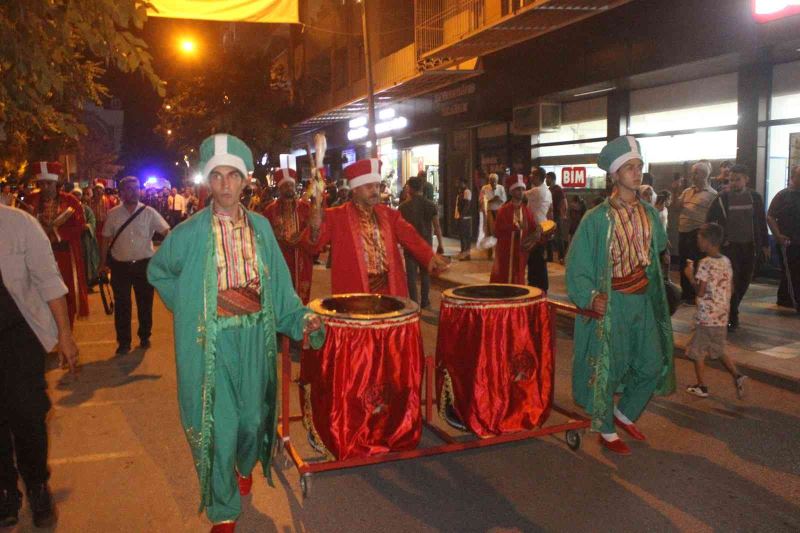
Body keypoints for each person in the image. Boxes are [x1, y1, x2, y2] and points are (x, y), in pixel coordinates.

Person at [147, 134, 324, 532]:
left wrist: (301, 320)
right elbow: (158, 271)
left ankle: (245, 467)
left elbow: (280, 288)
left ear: (245, 182)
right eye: (217, 177)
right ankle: (223, 508)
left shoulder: (261, 228)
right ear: (207, 183)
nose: (225, 185)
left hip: (254, 339)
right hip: (213, 343)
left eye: (233, 176)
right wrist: (191, 306)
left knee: (252, 419)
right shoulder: (190, 233)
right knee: (219, 426)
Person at [566, 135, 675, 455]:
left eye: (639, 165)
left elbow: (657, 250)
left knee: (652, 364)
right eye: (629, 167)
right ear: (615, 174)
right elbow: (578, 263)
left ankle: (624, 413)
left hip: (643, 298)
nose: (636, 172)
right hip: (614, 302)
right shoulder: (597, 218)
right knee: (608, 369)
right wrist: (589, 296)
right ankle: (604, 427)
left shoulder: (650, 213)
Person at [0, 203, 79, 528]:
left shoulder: (20, 225)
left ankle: (36, 485)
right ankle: (6, 490)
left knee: (27, 413)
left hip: (19, 336)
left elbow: (49, 280)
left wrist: (66, 336)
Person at [309, 158, 449, 297]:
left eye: (377, 186)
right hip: (354, 292)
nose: (375, 191)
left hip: (388, 291)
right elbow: (314, 245)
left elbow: (411, 236)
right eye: (369, 187)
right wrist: (315, 227)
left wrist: (429, 256)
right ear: (355, 189)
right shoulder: (337, 216)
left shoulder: (389, 215)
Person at [98, 176, 170, 355]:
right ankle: (124, 342)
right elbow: (105, 239)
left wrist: (167, 256)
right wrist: (102, 263)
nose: (134, 191)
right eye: (129, 188)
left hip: (144, 265)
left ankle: (145, 335)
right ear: (122, 193)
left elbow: (167, 232)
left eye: (136, 188)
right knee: (122, 305)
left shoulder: (149, 212)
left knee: (145, 303)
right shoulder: (113, 214)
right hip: (120, 267)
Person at [684, 223, 748, 398]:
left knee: (697, 351)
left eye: (699, 238)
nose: (698, 241)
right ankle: (738, 375)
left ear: (707, 241)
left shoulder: (705, 263)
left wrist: (690, 275)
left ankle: (702, 386)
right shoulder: (726, 261)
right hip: (721, 315)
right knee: (719, 350)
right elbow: (732, 288)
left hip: (705, 317)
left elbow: (700, 291)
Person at [24, 162, 88, 326]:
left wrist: (57, 236)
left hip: (64, 253)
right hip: (37, 256)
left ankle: (67, 329)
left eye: (49, 183)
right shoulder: (30, 201)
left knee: (66, 292)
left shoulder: (71, 201)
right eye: (42, 184)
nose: (45, 187)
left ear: (56, 183)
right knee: (40, 293)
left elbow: (79, 226)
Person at [705, 164, 768, 330]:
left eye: (737, 179)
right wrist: (719, 240)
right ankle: (732, 315)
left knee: (745, 280)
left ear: (746, 179)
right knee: (731, 281)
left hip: (750, 246)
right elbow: (710, 220)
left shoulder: (755, 198)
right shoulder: (721, 198)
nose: (733, 183)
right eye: (731, 179)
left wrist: (765, 245)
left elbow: (761, 221)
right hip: (730, 247)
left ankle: (732, 309)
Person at [263, 168, 315, 303]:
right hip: (280, 257)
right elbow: (263, 235)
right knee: (281, 294)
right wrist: (273, 234)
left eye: (291, 185)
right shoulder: (270, 210)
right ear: (279, 189)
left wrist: (303, 235)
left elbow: (314, 230)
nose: (289, 188)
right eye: (285, 185)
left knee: (301, 295)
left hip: (301, 257)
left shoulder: (305, 207)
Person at [674, 160, 718, 303]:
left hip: (697, 232)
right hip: (683, 230)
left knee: (696, 263)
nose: (693, 176)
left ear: (704, 175)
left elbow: (714, 216)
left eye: (696, 173)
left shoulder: (712, 194)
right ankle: (686, 293)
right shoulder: (687, 191)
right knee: (683, 262)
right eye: (692, 173)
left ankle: (695, 293)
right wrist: (676, 190)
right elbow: (677, 207)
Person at [399, 176, 445, 309]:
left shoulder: (403, 207)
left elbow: (400, 228)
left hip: (410, 246)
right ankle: (425, 301)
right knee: (425, 274)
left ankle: (414, 302)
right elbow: (437, 227)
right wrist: (441, 244)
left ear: (410, 188)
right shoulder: (431, 205)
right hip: (426, 244)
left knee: (412, 276)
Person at [491, 174, 538, 284]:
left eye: (522, 189)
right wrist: (513, 228)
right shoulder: (503, 210)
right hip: (506, 252)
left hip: (520, 254)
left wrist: (540, 232)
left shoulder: (526, 211)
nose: (521, 192)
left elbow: (532, 229)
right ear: (511, 192)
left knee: (518, 278)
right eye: (518, 189)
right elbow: (496, 231)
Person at [767, 164, 800, 311]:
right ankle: (790, 301)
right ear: (793, 177)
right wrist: (778, 235)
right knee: (790, 272)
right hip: (788, 242)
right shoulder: (783, 195)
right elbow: (770, 216)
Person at [524, 167, 552, 291]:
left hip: (536, 228)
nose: (531, 177)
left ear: (538, 177)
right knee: (539, 259)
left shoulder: (536, 191)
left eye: (533, 175)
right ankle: (541, 285)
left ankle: (536, 285)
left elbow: (520, 194)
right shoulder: (548, 191)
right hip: (543, 226)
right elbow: (550, 211)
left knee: (534, 259)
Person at [70, 188, 100, 290]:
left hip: (85, 240)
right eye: (74, 194)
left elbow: (92, 220)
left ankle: (88, 283)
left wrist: (87, 226)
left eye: (78, 195)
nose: (76, 196)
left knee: (87, 261)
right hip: (73, 240)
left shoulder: (86, 209)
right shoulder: (68, 209)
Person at [478, 173, 506, 258]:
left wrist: (499, 199)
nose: (493, 183)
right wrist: (491, 200)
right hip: (489, 211)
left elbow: (504, 199)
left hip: (499, 211)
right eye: (492, 181)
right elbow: (481, 200)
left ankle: (499, 252)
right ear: (489, 181)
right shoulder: (484, 188)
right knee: (490, 232)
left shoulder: (501, 188)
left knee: (499, 232)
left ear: (497, 181)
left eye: (495, 181)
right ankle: (489, 253)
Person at [545, 171, 568, 263]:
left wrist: (563, 214)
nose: (546, 180)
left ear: (552, 179)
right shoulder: (549, 190)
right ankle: (550, 257)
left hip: (556, 216)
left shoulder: (558, 189)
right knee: (549, 237)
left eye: (547, 178)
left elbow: (564, 202)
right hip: (549, 216)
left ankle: (561, 257)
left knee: (558, 237)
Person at [454, 178, 473, 260]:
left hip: (465, 217)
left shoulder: (467, 192)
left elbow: (467, 205)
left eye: (460, 183)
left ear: (464, 183)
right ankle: (463, 252)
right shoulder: (460, 192)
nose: (458, 184)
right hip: (461, 216)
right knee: (462, 235)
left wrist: (462, 215)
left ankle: (466, 254)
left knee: (465, 236)